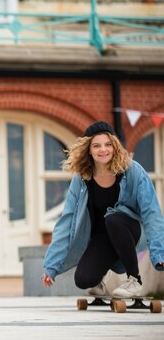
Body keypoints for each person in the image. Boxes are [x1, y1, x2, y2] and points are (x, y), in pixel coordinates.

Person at [42, 121, 164, 298]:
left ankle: (134, 280)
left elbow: (152, 212)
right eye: (96, 145)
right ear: (88, 150)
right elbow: (66, 220)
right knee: (83, 279)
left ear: (115, 146)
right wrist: (51, 266)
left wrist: (159, 252)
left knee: (114, 219)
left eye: (108, 144)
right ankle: (102, 277)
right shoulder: (82, 179)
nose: (103, 150)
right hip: (102, 237)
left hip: (132, 231)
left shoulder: (133, 171)